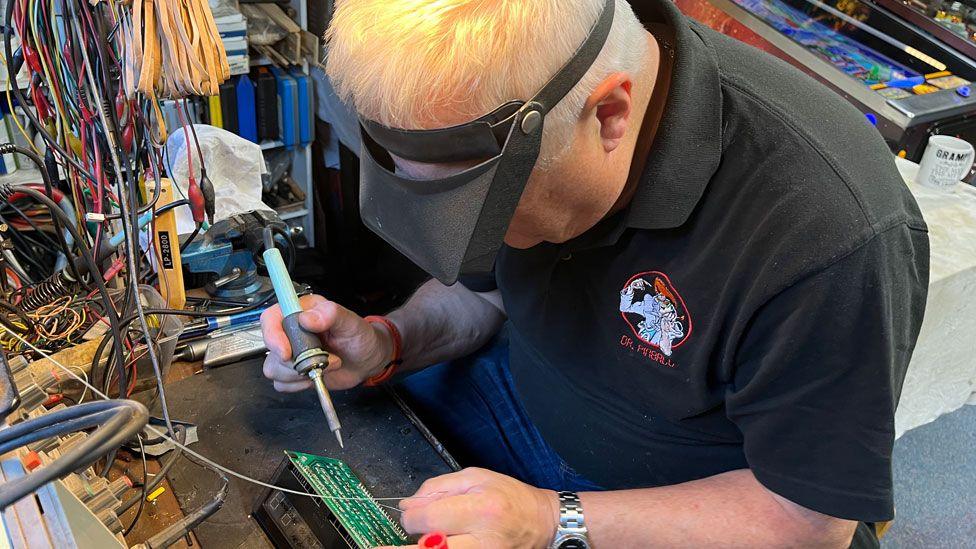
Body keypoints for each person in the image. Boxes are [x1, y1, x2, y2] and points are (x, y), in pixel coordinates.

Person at [260, 0, 929, 547]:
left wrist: (553, 520)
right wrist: (389, 341)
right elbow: (485, 298)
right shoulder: (519, 109)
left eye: (484, 209)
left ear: (609, 113)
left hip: (702, 504)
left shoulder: (824, 230)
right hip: (527, 404)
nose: (471, 236)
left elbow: (808, 522)